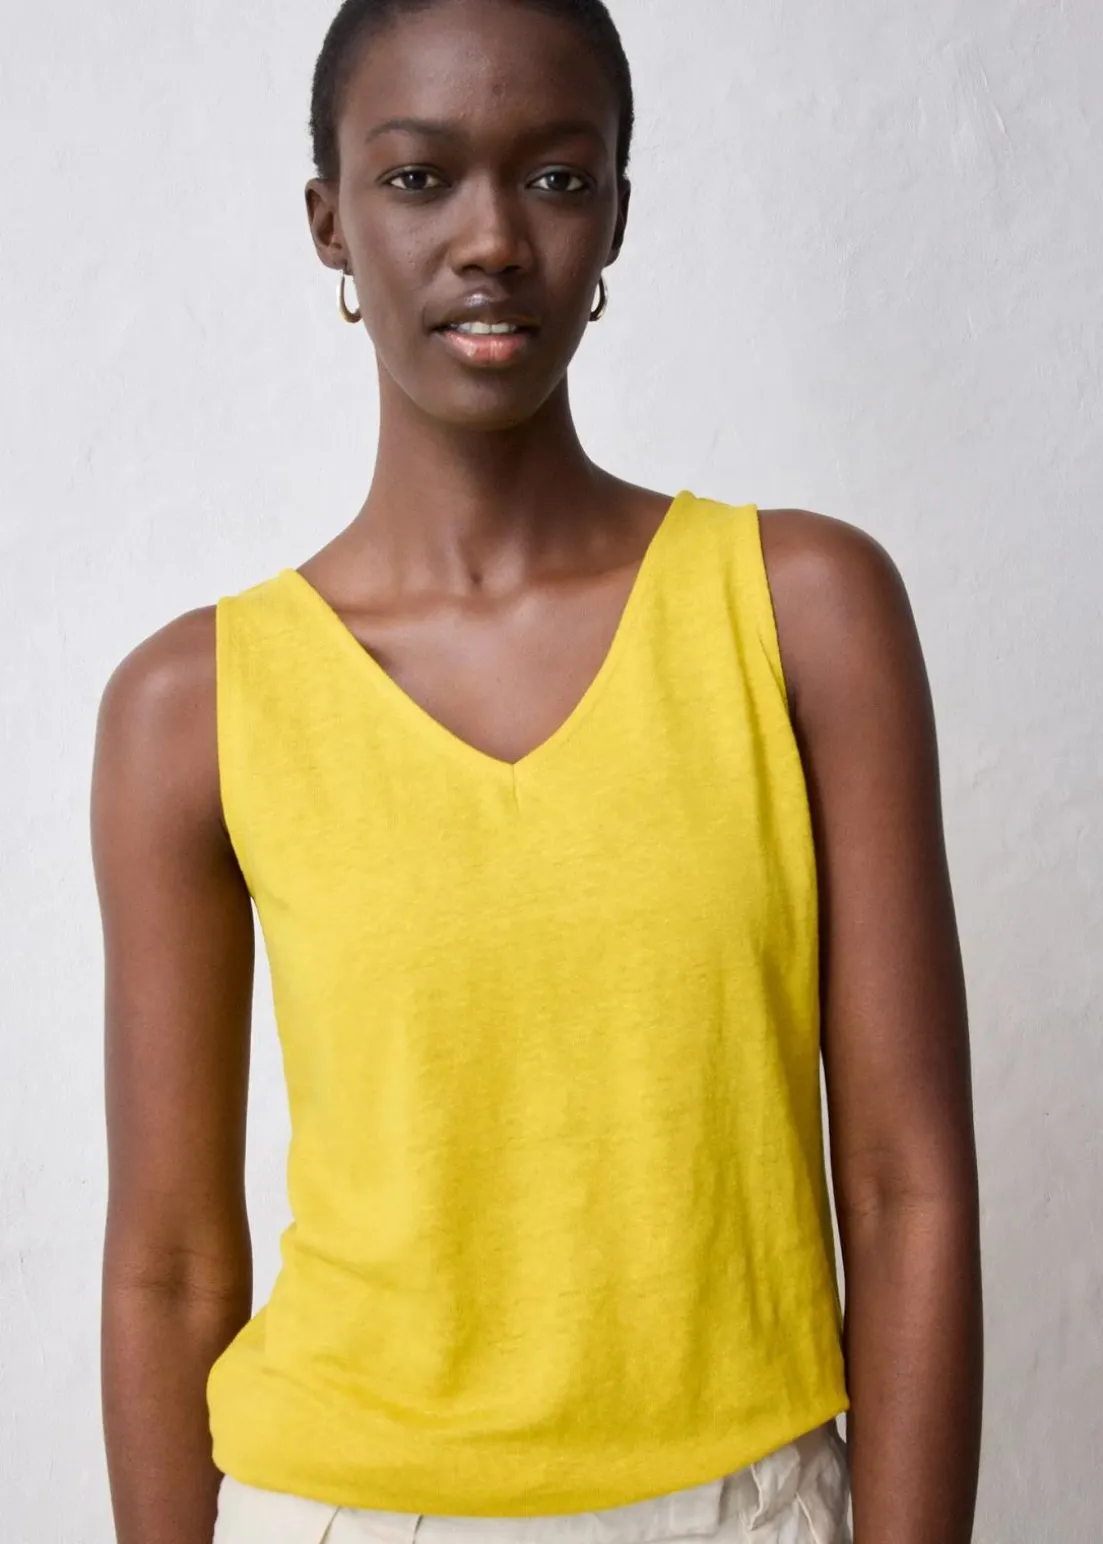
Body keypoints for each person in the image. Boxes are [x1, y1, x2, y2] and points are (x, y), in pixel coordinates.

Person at [91, 1, 984, 1541]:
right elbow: (167, 1266)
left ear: (616, 215)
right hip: (336, 1506)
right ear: (330, 222)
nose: (492, 240)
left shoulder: (799, 613)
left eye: (556, 179)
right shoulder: (193, 705)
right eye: (417, 178)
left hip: (739, 1501)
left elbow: (907, 1187)